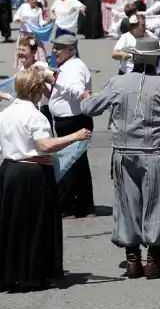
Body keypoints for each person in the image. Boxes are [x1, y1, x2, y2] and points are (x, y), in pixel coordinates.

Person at [81, 38, 160, 279]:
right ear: (157, 59)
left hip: (125, 153)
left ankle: (133, 259)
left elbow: (89, 108)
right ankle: (154, 261)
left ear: (134, 58)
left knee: (128, 204)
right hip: (155, 152)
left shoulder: (117, 82)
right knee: (159, 204)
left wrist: (87, 96)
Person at [0, 69, 92, 292]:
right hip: (33, 172)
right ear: (35, 90)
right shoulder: (35, 116)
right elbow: (44, 145)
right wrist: (75, 136)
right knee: (36, 223)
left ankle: (9, 272)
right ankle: (34, 272)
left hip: (10, 170)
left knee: (11, 224)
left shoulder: (6, 112)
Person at [49, 34, 95, 219]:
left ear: (71, 49)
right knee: (78, 164)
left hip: (73, 121)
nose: (55, 51)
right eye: (54, 47)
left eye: (59, 48)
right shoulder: (66, 66)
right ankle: (83, 205)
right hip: (69, 120)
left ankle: (68, 205)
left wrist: (55, 82)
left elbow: (76, 90)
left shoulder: (75, 68)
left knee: (68, 163)